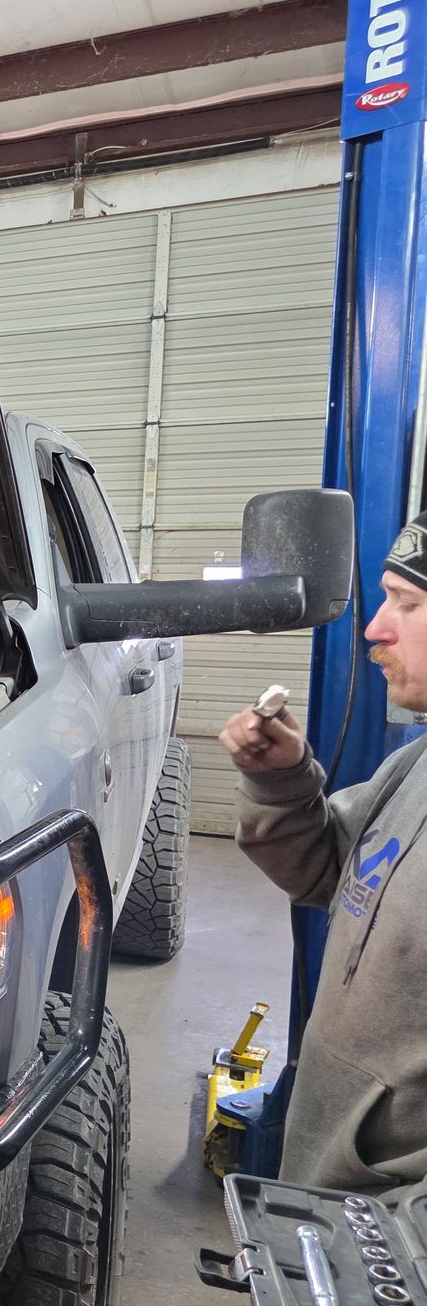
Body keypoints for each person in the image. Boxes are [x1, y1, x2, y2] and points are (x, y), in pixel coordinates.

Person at [222, 511, 427, 1196]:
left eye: (409, 603)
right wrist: (281, 777)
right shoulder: (415, 766)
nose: (376, 627)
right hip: (337, 1188)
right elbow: (330, 873)